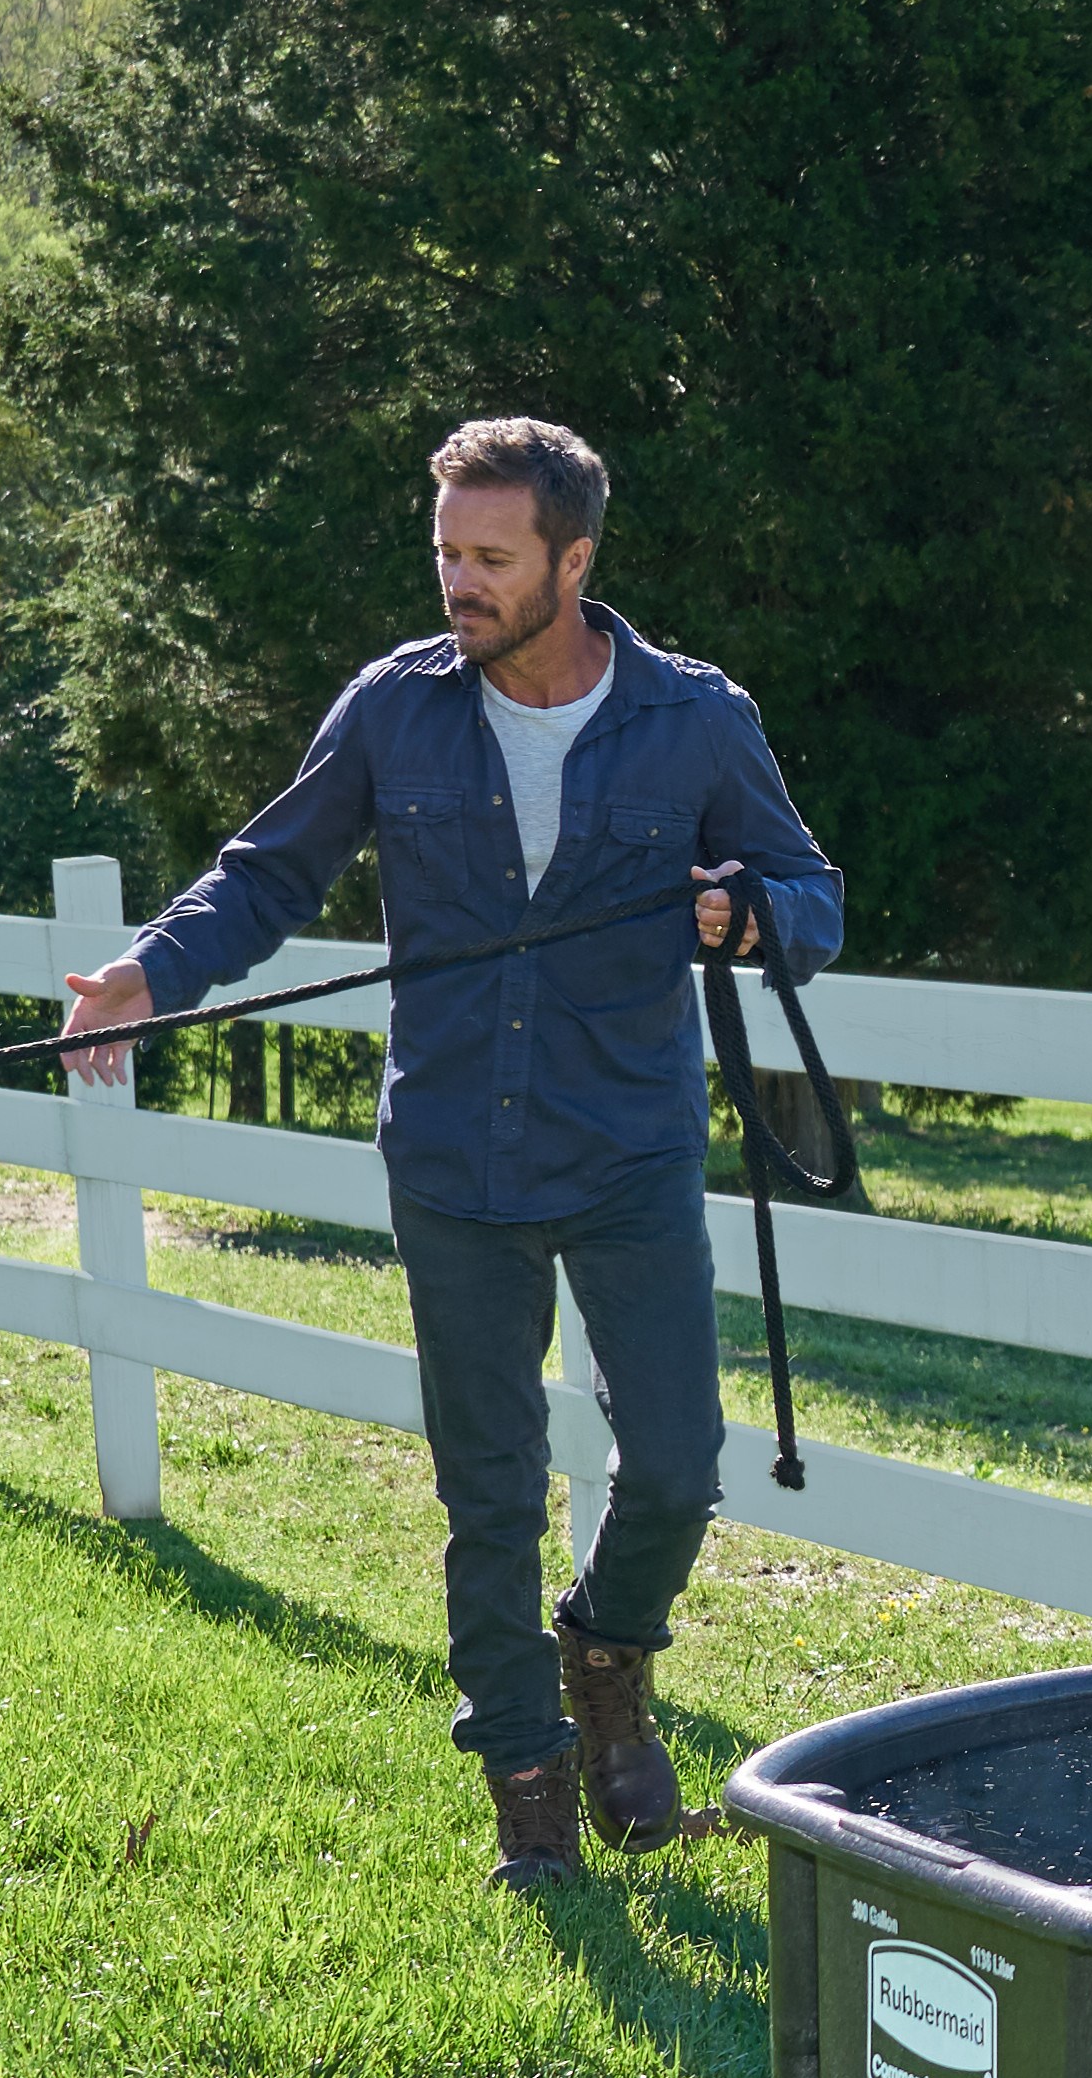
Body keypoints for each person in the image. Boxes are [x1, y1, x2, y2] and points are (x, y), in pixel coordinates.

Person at [60, 417, 843, 1888]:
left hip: (629, 1149)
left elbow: (814, 892)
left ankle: (607, 1653)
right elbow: (267, 871)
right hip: (452, 1155)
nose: (459, 586)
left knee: (675, 1463)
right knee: (487, 1484)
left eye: (491, 559)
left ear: (574, 559)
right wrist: (150, 974)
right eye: (446, 556)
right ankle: (531, 1795)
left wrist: (751, 914)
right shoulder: (394, 710)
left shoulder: (692, 717)